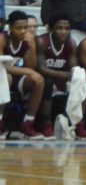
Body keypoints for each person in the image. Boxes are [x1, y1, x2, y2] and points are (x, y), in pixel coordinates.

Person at [35, 14, 81, 138]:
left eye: (67, 28)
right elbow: (41, 68)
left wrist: (75, 76)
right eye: (59, 28)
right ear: (50, 29)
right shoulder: (41, 41)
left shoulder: (71, 44)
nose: (63, 32)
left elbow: (73, 68)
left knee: (80, 81)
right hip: (43, 79)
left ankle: (77, 126)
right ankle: (46, 124)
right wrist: (65, 75)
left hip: (60, 79)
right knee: (48, 82)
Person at [4, 10, 47, 139]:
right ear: (10, 27)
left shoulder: (27, 40)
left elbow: (31, 67)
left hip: (18, 78)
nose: (23, 31)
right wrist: (28, 71)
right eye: (19, 28)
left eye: (25, 27)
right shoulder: (2, 38)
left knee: (38, 80)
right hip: (3, 76)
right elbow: (2, 67)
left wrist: (31, 46)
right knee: (6, 77)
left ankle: (27, 124)